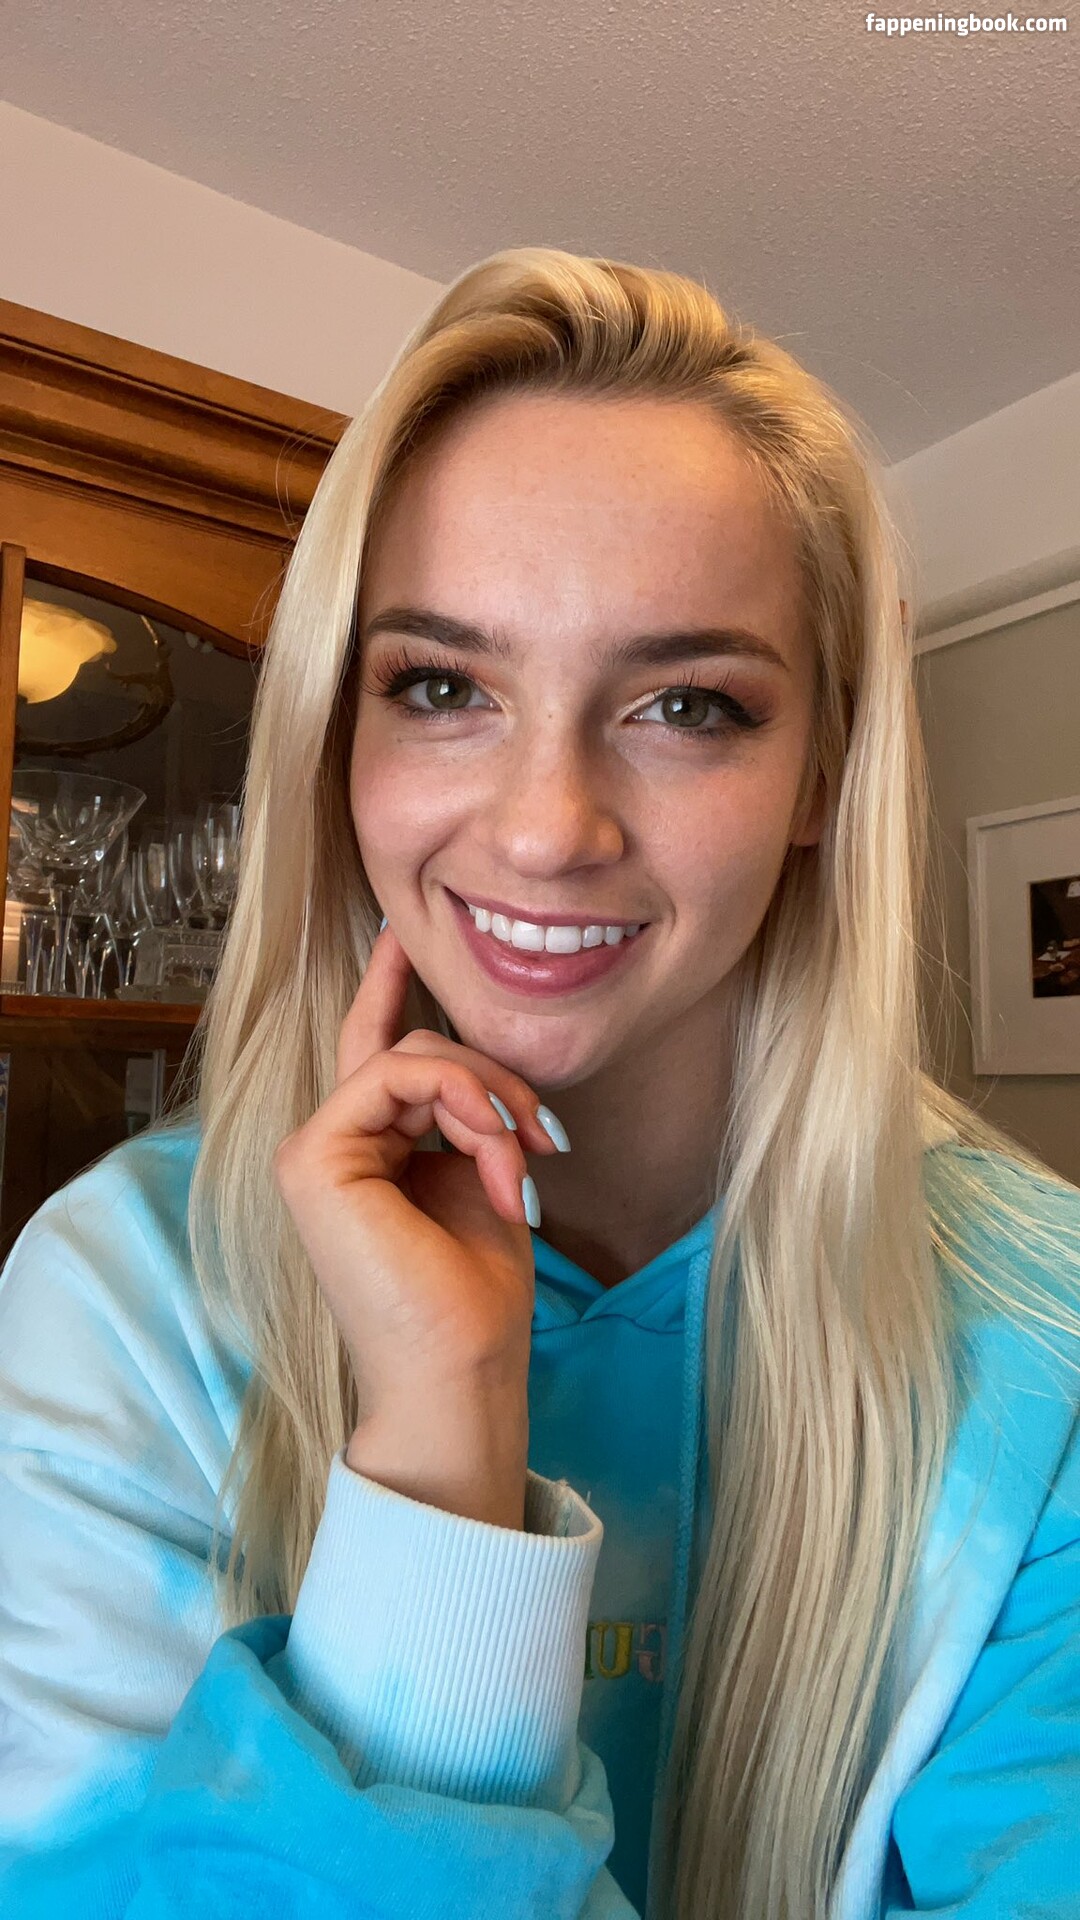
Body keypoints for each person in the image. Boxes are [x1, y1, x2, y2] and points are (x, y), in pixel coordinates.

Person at [0, 247, 1078, 1920]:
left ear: (822, 769)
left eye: (687, 704)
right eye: (442, 687)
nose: (546, 827)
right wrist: (442, 1451)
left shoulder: (1044, 1335)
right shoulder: (123, 1291)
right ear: (335, 736)